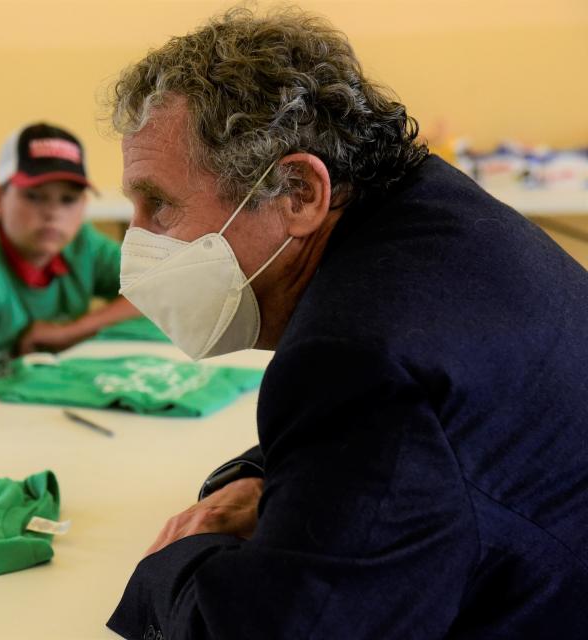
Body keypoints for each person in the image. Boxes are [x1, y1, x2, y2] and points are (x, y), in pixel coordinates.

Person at [106, 8, 588, 639]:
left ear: (300, 192)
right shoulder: (440, 215)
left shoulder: (353, 357)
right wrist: (264, 479)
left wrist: (169, 565)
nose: (134, 242)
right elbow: (418, 439)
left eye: (159, 204)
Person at [0, 122, 139, 415]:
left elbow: (151, 287)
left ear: (84, 206)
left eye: (68, 199)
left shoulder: (83, 244)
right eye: (34, 195)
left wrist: (69, 331)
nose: (52, 213)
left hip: (48, 402)